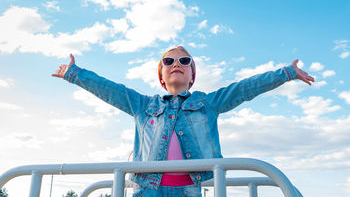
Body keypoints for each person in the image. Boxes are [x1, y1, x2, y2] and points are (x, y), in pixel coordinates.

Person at [52, 46, 314, 197]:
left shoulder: (208, 104)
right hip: (147, 190)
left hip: (189, 190)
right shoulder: (143, 106)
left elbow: (244, 88)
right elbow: (111, 89)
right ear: (161, 76)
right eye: (168, 61)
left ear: (192, 76)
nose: (176, 63)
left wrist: (286, 73)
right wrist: (75, 74)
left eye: (184, 61)